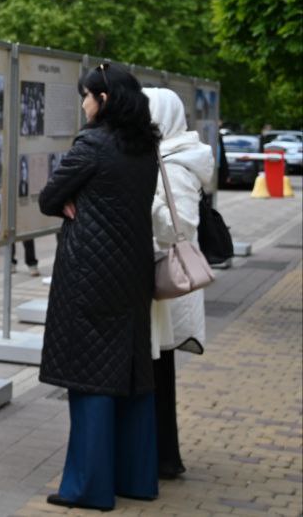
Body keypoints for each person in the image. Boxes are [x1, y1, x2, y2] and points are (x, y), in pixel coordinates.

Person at [38, 62, 161, 511]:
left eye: (87, 96)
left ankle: (88, 488)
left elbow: (50, 198)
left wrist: (75, 199)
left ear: (103, 100)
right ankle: (137, 478)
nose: (84, 103)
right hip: (133, 274)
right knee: (131, 376)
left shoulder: (91, 143)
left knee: (90, 379)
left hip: (89, 274)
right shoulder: (146, 146)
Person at [144, 87, 212, 480]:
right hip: (161, 286)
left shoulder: (176, 165)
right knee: (159, 371)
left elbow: (180, 227)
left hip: (166, 283)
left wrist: (144, 201)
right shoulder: (171, 157)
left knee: (159, 372)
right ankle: (162, 455)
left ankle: (165, 457)